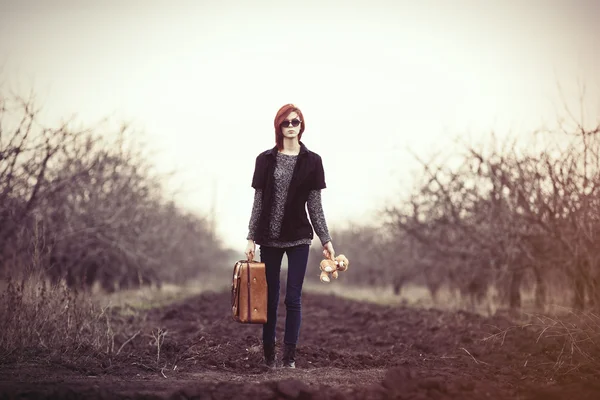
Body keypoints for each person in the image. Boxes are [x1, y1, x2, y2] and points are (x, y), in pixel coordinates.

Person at [245, 103, 335, 369]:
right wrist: (251, 236)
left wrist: (326, 240)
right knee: (270, 298)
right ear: (279, 126)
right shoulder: (265, 160)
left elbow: (315, 205)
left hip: (299, 238)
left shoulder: (313, 161)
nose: (291, 126)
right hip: (268, 239)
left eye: (296, 122)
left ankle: (290, 357)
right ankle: (269, 355)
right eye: (286, 122)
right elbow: (258, 202)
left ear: (301, 126)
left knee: (292, 297)